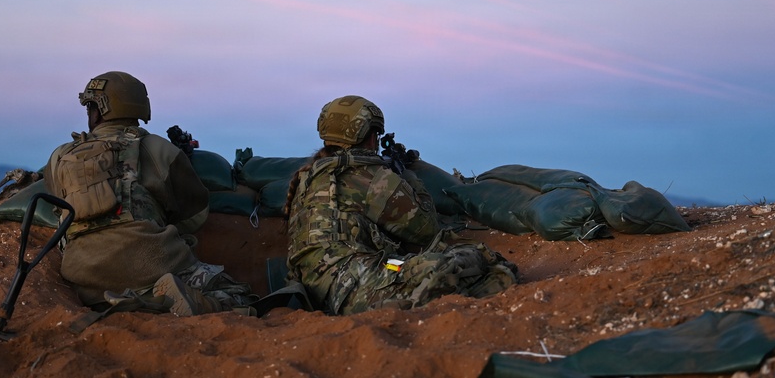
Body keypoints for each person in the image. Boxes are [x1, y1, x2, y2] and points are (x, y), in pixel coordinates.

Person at [42, 71, 255, 317]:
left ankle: (133, 301)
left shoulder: (61, 155)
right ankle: (165, 300)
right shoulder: (159, 148)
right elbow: (194, 215)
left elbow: (56, 200)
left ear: (99, 111)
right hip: (151, 265)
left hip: (83, 277)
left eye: (89, 108)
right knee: (237, 294)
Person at [283, 95, 518, 315]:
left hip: (318, 291)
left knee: (400, 264)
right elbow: (426, 229)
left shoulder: (309, 177)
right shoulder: (370, 176)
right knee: (464, 258)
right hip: (357, 283)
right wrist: (409, 179)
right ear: (371, 136)